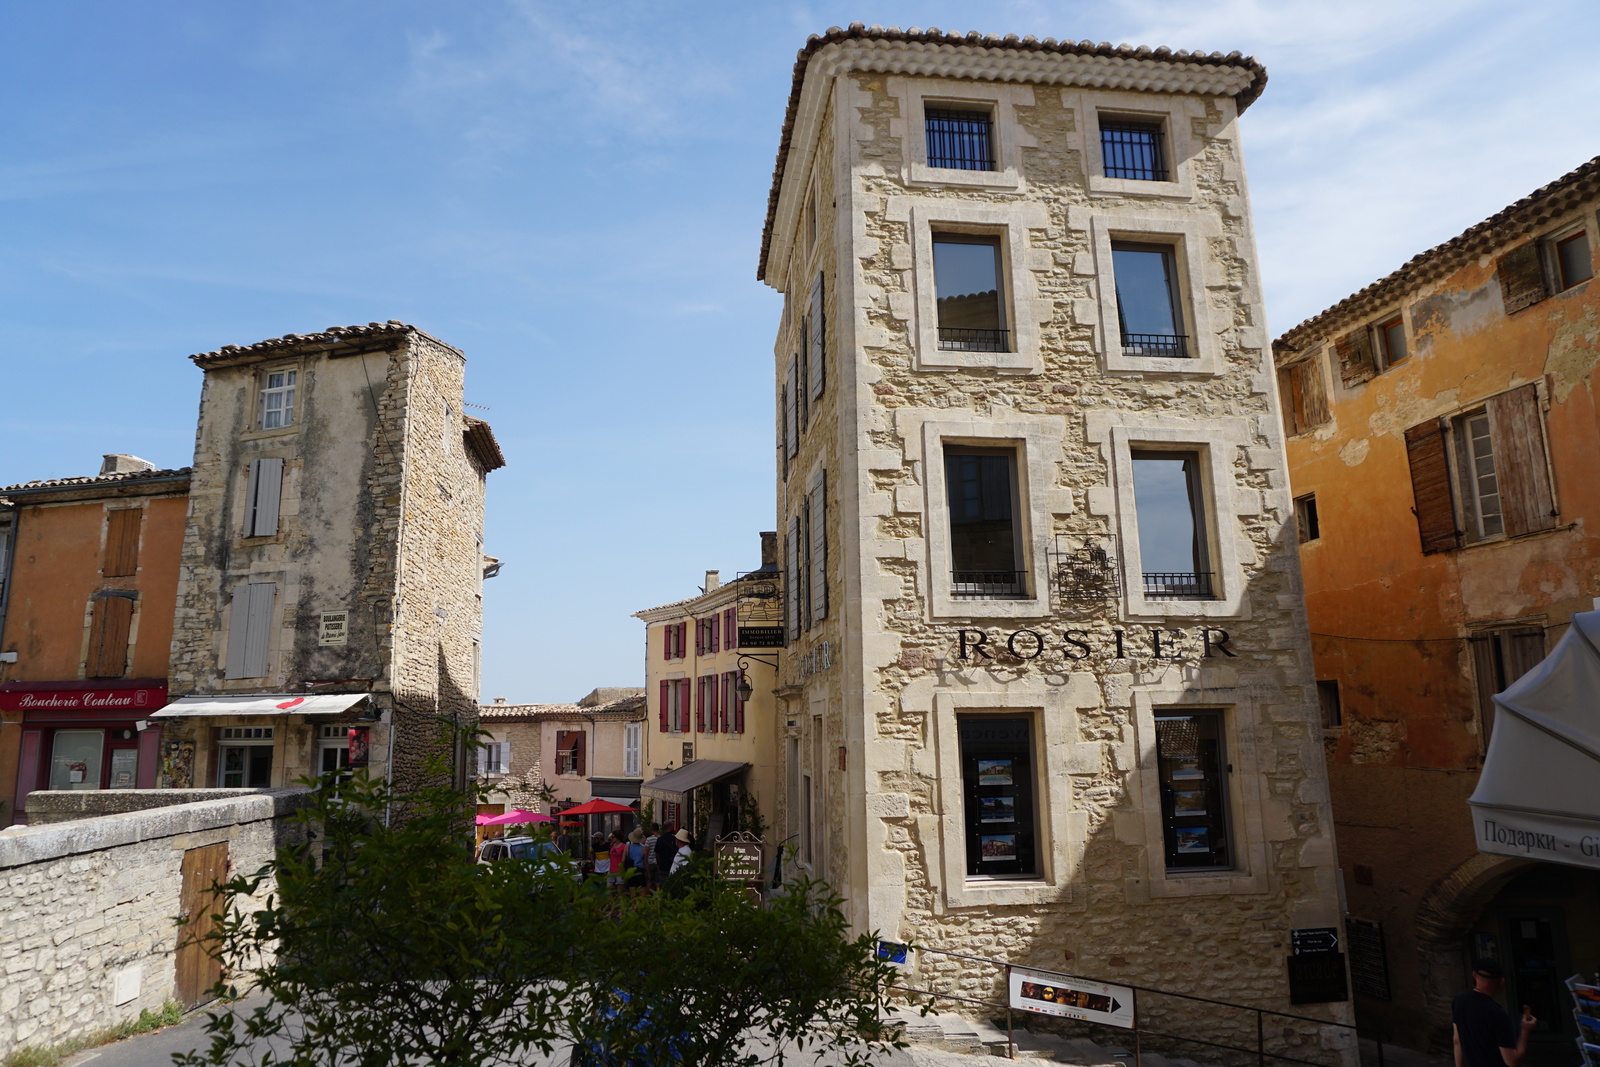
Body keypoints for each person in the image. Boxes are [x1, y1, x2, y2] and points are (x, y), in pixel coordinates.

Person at [1453, 957, 1536, 1067]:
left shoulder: (1459, 1000)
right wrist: (1525, 1030)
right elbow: (1512, 1061)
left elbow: (1457, 1040)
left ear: (1474, 975)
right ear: (1501, 982)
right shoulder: (1497, 1014)